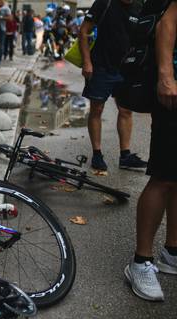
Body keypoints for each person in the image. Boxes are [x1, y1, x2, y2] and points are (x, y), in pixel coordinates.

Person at [125, 0, 177, 301]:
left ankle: (172, 253)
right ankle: (140, 261)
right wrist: (166, 75)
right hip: (173, 92)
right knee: (164, 176)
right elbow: (167, 22)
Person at [79, 0, 148, 171]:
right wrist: (87, 62)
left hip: (126, 68)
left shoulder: (139, 6)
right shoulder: (105, 3)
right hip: (101, 66)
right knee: (97, 109)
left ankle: (125, 155)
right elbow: (84, 31)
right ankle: (97, 153)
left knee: (126, 110)